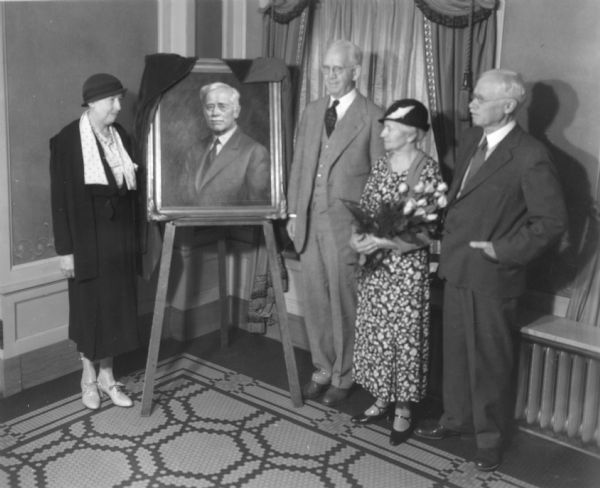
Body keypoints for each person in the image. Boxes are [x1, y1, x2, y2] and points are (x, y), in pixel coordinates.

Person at [414, 70, 567, 471]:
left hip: (494, 275)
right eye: (474, 98)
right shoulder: (471, 141)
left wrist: (503, 250)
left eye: (480, 99)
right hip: (457, 267)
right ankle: (456, 419)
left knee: (490, 362)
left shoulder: (531, 155)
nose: (471, 104)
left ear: (509, 105)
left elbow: (550, 223)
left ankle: (489, 440)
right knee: (457, 355)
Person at [286, 40, 384, 406]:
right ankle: (323, 368)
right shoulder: (312, 111)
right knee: (315, 300)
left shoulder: (373, 116)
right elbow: (299, 167)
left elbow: (378, 182)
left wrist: (368, 231)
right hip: (309, 223)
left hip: (347, 228)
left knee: (344, 303)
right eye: (325, 69)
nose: (329, 76)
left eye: (337, 69)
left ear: (355, 72)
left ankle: (345, 374)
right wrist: (295, 214)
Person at [348, 99, 444, 446]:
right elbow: (366, 209)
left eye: (389, 127)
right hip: (376, 269)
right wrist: (358, 238)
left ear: (410, 134)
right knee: (376, 332)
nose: (383, 133)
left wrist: (381, 242)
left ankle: (403, 408)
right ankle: (381, 397)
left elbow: (427, 231)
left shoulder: (428, 170)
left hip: (405, 271)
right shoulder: (380, 166)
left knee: (403, 337)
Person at [50, 73, 141, 409]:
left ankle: (107, 377)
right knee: (90, 311)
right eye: (112, 100)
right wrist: (66, 252)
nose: (118, 106)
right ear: (91, 102)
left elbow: (131, 194)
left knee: (115, 309)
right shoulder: (66, 141)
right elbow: (58, 201)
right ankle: (87, 378)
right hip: (86, 242)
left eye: (120, 99)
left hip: (119, 242)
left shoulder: (122, 138)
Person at [180, 82, 270, 206]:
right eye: (209, 107)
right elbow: (183, 201)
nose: (215, 113)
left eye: (222, 106)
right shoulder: (194, 151)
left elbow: (258, 208)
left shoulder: (254, 152)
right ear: (203, 112)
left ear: (236, 111)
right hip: (192, 224)